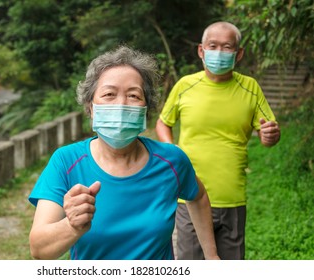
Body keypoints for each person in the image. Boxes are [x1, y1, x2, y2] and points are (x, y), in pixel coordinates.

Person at [28, 45, 219, 260]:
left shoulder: (172, 160)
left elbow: (199, 196)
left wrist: (211, 257)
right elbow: (39, 250)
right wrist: (71, 225)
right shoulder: (66, 162)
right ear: (91, 108)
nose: (121, 104)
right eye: (109, 94)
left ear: (146, 108)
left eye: (133, 95)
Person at [156, 21, 281, 260]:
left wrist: (271, 135)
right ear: (201, 51)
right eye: (213, 46)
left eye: (227, 47)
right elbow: (163, 122)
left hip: (231, 197)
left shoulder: (251, 88)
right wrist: (171, 149)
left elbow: (269, 135)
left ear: (239, 53)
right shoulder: (185, 85)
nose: (219, 52)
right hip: (189, 194)